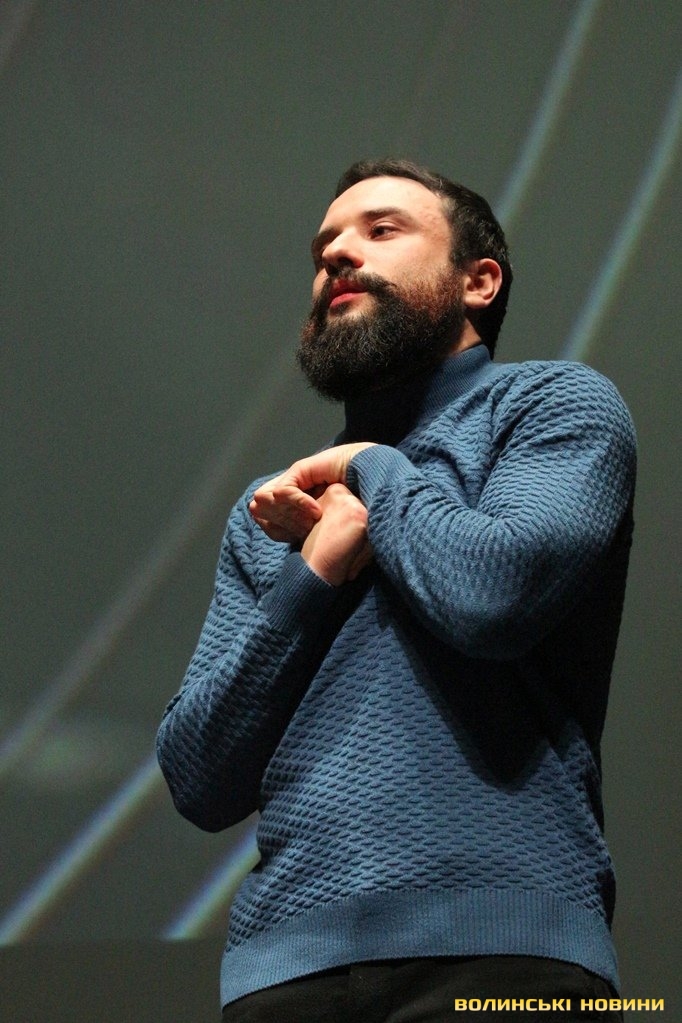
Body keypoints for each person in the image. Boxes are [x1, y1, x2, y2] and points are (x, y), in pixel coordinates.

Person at [157, 159, 636, 1022]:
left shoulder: (554, 406)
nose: (337, 255)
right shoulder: (278, 514)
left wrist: (370, 468)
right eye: (324, 247)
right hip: (282, 977)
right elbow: (199, 777)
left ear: (479, 281)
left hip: (508, 954)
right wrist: (313, 574)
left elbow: (490, 596)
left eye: (381, 230)